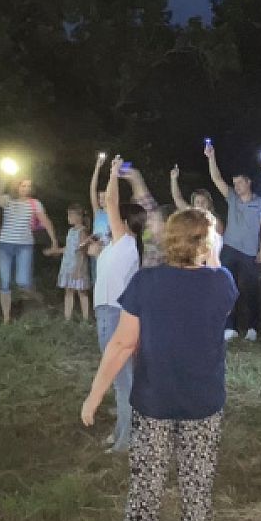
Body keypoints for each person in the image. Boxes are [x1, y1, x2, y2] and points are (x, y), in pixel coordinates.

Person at [81, 207, 237, 521]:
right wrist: (210, 250)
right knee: (196, 490)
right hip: (202, 403)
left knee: (145, 489)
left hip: (152, 402)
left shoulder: (146, 282)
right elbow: (216, 276)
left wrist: (95, 394)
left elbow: (122, 343)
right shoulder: (222, 283)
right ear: (204, 241)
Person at [90, 157, 146, 454]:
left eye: (116, 216)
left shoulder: (125, 242)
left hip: (114, 315)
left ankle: (128, 441)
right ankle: (121, 431)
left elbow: (110, 200)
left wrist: (113, 173)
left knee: (122, 380)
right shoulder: (118, 245)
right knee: (119, 379)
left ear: (124, 222)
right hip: (108, 313)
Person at [205, 141, 261, 342]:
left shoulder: (260, 203)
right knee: (227, 287)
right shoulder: (231, 197)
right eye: (234, 183)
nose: (236, 186)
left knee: (250, 289)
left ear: (248, 182)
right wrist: (211, 157)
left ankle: (252, 327)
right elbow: (216, 178)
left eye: (239, 182)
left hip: (250, 252)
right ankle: (229, 327)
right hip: (230, 249)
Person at [0, 175, 62, 325]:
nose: (26, 189)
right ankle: (6, 318)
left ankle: (40, 299)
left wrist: (54, 240)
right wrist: (3, 177)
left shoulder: (34, 204)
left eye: (28, 186)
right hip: (5, 244)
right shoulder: (8, 200)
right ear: (16, 186)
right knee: (4, 282)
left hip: (24, 246)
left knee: (23, 282)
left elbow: (45, 221)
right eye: (23, 186)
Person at [57, 204, 92, 322]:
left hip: (77, 267)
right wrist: (55, 251)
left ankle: (86, 319)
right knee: (68, 292)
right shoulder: (71, 231)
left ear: (77, 217)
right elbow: (69, 248)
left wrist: (79, 269)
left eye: (70, 215)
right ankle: (67, 318)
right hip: (67, 266)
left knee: (81, 292)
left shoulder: (82, 231)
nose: (68, 217)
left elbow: (82, 251)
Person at [89, 153, 111, 281]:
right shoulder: (98, 212)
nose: (101, 200)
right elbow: (92, 190)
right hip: (96, 250)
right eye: (99, 198)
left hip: (108, 252)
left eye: (104, 197)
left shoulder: (115, 214)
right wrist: (97, 168)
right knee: (97, 281)